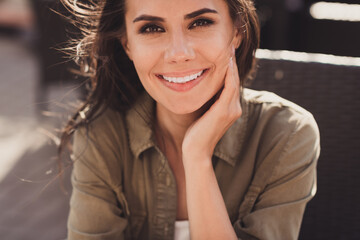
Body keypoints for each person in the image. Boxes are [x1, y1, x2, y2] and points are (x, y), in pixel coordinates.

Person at [59, 0, 320, 239]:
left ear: (237, 31)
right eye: (151, 28)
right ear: (127, 44)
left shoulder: (287, 134)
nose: (178, 53)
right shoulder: (100, 135)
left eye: (200, 22)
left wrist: (197, 157)